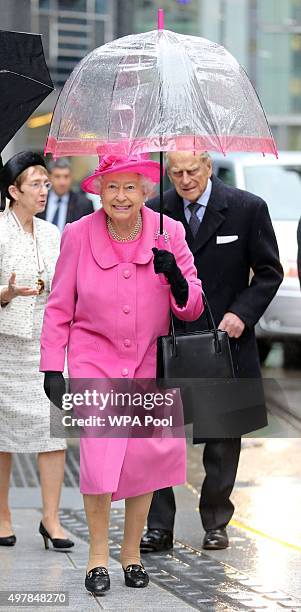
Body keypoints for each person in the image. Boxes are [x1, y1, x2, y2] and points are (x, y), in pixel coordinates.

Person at [39, 153, 203, 595]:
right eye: (112, 187)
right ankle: (97, 556)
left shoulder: (171, 231)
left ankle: (130, 553)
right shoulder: (78, 234)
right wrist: (53, 366)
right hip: (96, 361)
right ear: (98, 190)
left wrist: (177, 278)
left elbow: (193, 306)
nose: (121, 196)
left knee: (142, 463)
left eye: (130, 186)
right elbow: (59, 307)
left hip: (150, 361)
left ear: (146, 190)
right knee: (100, 459)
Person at [141, 150, 284, 553]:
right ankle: (158, 526)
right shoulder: (156, 211)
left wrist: (243, 313)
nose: (185, 180)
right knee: (159, 435)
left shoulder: (247, 208)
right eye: (176, 173)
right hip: (169, 337)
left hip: (226, 337)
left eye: (192, 171)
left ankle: (216, 519)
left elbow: (270, 272)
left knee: (223, 438)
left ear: (208, 166)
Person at [0, 151, 73, 551]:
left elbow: (61, 289)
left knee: (54, 431)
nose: (44, 190)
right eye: (35, 184)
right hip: (4, 347)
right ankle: (2, 516)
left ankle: (52, 519)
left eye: (46, 183)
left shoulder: (51, 233)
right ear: (13, 191)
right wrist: (7, 293)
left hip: (45, 346)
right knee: (2, 435)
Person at [36, 157, 94, 231]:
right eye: (57, 176)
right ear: (49, 178)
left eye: (66, 177)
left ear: (71, 177)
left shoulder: (84, 204)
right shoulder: (38, 200)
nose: (62, 182)